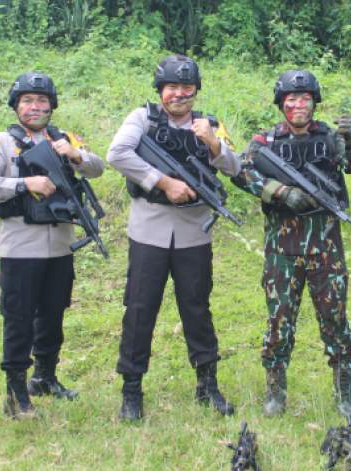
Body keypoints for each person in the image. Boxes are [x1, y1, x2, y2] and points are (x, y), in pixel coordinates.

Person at [108, 55, 239, 422]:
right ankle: (131, 390)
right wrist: (163, 182)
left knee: (197, 308)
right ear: (160, 90)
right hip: (149, 228)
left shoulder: (209, 124)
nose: (179, 95)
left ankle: (207, 384)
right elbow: (117, 153)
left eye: (187, 88)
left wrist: (214, 144)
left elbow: (235, 166)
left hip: (193, 232)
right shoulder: (143, 118)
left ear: (196, 90)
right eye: (172, 88)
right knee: (139, 309)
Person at [231, 69, 351, 418]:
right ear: (281, 104)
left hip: (325, 246)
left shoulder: (329, 138)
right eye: (290, 99)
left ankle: (345, 390)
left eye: (304, 98)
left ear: (314, 102)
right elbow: (242, 173)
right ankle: (275, 391)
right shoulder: (265, 142)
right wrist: (279, 191)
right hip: (282, 248)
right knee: (279, 320)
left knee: (334, 317)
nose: (297, 104)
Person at [0, 72, 104, 418]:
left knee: (53, 312)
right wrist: (23, 184)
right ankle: (15, 393)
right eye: (27, 101)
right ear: (16, 106)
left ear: (52, 105)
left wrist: (75, 155)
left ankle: (45, 377)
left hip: (60, 244)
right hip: (20, 245)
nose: (35, 107)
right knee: (18, 318)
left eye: (41, 101)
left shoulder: (64, 137)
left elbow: (98, 168)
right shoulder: (1, 143)